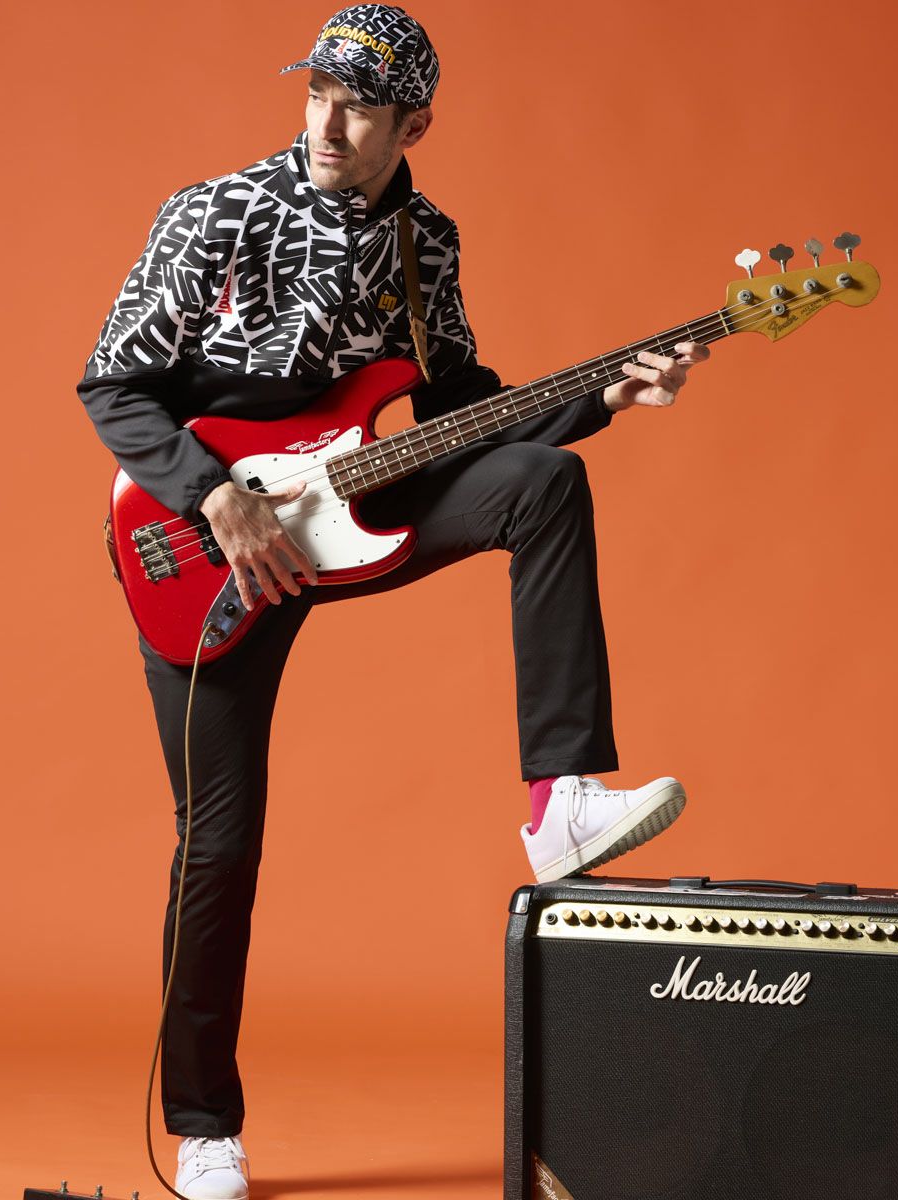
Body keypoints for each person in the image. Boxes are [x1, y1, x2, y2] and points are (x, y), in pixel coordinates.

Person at [76, 5, 710, 1196]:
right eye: (316, 93)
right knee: (217, 845)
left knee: (540, 481)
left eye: (359, 107)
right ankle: (204, 1124)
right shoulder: (213, 212)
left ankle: (561, 797)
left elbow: (465, 406)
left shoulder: (427, 244)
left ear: (414, 124)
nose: (326, 123)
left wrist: (608, 396)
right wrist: (214, 498)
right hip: (206, 547)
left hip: (359, 504)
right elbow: (113, 383)